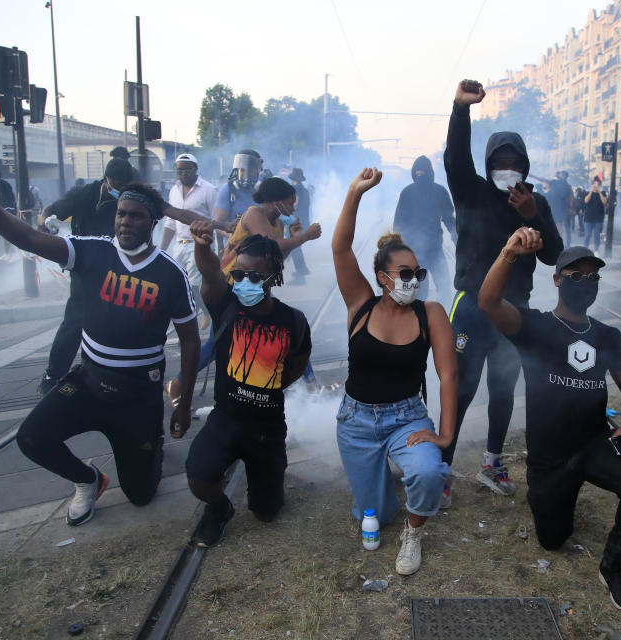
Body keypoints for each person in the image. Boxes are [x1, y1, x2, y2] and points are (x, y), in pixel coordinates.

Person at [0, 171, 201, 526]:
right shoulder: (91, 250)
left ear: (153, 221)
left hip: (138, 398)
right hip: (89, 382)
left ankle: (151, 445)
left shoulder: (169, 274)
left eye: (135, 215)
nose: (126, 222)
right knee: (31, 438)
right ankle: (88, 480)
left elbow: (191, 339)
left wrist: (185, 403)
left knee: (141, 495)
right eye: (121, 213)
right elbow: (28, 237)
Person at [478, 232, 621, 612]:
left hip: (594, 442)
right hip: (549, 456)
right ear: (557, 279)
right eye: (576, 275)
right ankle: (556, 494)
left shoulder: (607, 336)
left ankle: (612, 567)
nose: (585, 283)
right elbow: (488, 302)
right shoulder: (535, 327)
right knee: (553, 540)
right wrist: (509, 252)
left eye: (592, 277)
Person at [442, 79, 563, 503]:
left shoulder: (535, 201)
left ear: (525, 165)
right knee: (461, 387)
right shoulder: (471, 190)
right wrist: (461, 109)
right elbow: (455, 159)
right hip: (472, 307)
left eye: (515, 161)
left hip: (516, 310)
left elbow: (555, 257)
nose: (508, 167)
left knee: (503, 387)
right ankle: (442, 469)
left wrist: (533, 216)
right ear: (489, 162)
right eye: (500, 160)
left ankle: (492, 462)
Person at [332, 167, 456, 576]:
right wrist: (355, 192)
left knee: (426, 470)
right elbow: (340, 248)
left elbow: (447, 375)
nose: (414, 281)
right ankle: (395, 485)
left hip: (407, 416)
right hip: (357, 419)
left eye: (418, 274)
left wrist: (445, 435)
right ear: (383, 278)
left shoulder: (431, 313)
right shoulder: (360, 305)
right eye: (405, 275)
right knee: (374, 514)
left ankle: (415, 530)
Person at [38, 158, 224, 396]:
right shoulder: (86, 193)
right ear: (106, 181)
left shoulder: (137, 195)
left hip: (125, 263)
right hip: (90, 264)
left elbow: (178, 214)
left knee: (124, 317)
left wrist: (221, 225)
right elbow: (49, 211)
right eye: (121, 212)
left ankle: (119, 373)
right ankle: (53, 375)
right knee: (75, 320)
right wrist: (44, 222)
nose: (126, 218)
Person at [184, 223, 311, 547]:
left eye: (255, 277)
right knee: (199, 477)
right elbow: (211, 273)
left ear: (274, 278)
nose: (244, 282)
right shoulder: (226, 304)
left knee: (266, 514)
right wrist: (202, 245)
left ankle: (263, 486)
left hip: (267, 428)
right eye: (238, 275)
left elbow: (298, 362)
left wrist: (272, 384)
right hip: (226, 418)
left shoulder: (292, 320)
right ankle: (219, 509)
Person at [164, 177, 321, 406]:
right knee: (218, 341)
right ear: (275, 201)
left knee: (284, 330)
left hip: (253, 286)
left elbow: (274, 259)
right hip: (231, 284)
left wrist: (293, 237)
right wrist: (302, 238)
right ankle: (177, 384)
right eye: (289, 203)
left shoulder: (276, 223)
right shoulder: (254, 214)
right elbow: (273, 246)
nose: (292, 209)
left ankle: (311, 386)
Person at [160, 153, 219, 328]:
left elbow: (216, 220)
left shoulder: (209, 190)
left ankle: (203, 315)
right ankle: (195, 316)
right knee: (178, 284)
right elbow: (170, 223)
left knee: (194, 285)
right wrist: (162, 250)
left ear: (195, 170)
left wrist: (220, 248)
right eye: (179, 170)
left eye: (187, 170)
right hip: (179, 245)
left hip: (199, 245)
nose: (183, 173)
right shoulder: (174, 190)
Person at [392, 155, 457, 303]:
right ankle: (423, 321)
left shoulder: (436, 192)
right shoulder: (409, 193)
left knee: (441, 287)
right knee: (423, 291)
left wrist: (458, 240)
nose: (420, 176)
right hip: (417, 253)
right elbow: (398, 225)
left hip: (433, 250)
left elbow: (450, 220)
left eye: (422, 173)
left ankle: (439, 318)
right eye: (417, 173)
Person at [286, 168, 312, 285]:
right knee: (295, 247)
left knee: (294, 247)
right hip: (303, 221)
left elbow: (294, 206)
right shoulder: (305, 190)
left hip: (296, 223)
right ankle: (301, 271)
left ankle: (301, 273)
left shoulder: (295, 190)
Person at [583, 177, 607, 252]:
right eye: (594, 184)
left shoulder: (603, 193)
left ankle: (596, 250)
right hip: (588, 217)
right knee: (587, 235)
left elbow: (604, 202)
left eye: (597, 185)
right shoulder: (588, 193)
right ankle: (585, 249)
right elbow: (586, 201)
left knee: (597, 236)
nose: (596, 186)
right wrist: (591, 191)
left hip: (598, 218)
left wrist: (599, 192)